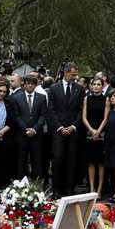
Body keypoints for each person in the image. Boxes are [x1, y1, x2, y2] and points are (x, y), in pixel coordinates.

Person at [47, 63, 85, 196]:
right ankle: (56, 188)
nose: (75, 77)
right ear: (66, 73)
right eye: (73, 75)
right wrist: (60, 127)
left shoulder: (80, 89)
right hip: (58, 131)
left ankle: (69, 187)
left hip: (74, 131)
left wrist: (74, 126)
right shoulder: (53, 89)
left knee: (72, 159)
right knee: (57, 159)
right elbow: (51, 111)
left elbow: (81, 111)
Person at [9, 74, 45, 182]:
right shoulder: (16, 97)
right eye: (27, 84)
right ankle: (21, 185)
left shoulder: (42, 97)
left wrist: (34, 129)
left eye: (32, 84)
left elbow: (43, 115)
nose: (30, 86)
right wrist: (25, 130)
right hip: (21, 135)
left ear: (36, 85)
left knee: (37, 162)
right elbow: (16, 116)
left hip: (37, 135)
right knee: (21, 161)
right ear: (23, 85)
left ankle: (37, 185)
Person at [82, 76, 109, 198]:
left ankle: (99, 188)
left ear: (102, 86)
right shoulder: (87, 99)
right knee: (91, 162)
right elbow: (84, 117)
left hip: (101, 133)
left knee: (101, 163)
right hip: (89, 133)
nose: (96, 86)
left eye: (99, 84)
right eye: (94, 84)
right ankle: (92, 187)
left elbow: (106, 117)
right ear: (91, 86)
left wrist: (98, 131)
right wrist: (92, 130)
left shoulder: (106, 99)